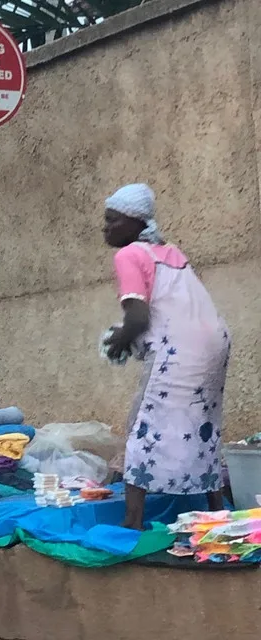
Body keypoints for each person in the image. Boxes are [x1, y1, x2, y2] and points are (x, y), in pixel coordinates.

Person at [103, 183, 230, 530]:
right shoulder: (169, 251)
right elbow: (173, 308)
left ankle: (133, 521)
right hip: (214, 345)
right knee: (202, 426)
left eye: (113, 220)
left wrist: (118, 341)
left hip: (179, 349)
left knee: (144, 425)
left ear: (135, 222)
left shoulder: (129, 255)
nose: (106, 227)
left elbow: (140, 318)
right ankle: (217, 510)